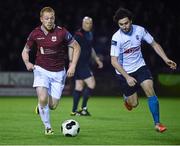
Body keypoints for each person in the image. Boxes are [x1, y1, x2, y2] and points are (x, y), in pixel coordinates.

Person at [110, 7, 177, 132]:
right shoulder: (116, 38)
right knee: (134, 104)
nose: (124, 26)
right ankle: (126, 98)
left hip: (140, 67)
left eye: (126, 23)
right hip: (124, 72)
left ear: (131, 21)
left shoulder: (140, 30)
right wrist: (127, 77)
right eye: (121, 24)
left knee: (150, 90)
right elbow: (113, 61)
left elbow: (154, 44)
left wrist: (166, 59)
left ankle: (157, 123)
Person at [21, 7, 80, 135]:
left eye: (52, 18)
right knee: (43, 98)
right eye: (46, 18)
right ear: (41, 19)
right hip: (41, 69)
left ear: (54, 18)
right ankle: (48, 127)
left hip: (59, 72)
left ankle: (41, 106)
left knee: (52, 105)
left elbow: (76, 47)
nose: (49, 21)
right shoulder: (35, 33)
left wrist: (73, 65)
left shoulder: (62, 32)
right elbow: (25, 51)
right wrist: (27, 62)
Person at [69, 16, 103, 116]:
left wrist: (96, 59)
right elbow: (71, 46)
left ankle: (74, 111)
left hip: (85, 63)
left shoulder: (89, 34)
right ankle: (83, 108)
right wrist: (71, 62)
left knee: (79, 86)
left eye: (90, 23)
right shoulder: (78, 34)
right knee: (91, 83)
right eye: (87, 23)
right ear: (83, 24)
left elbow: (90, 48)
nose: (89, 25)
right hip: (79, 64)